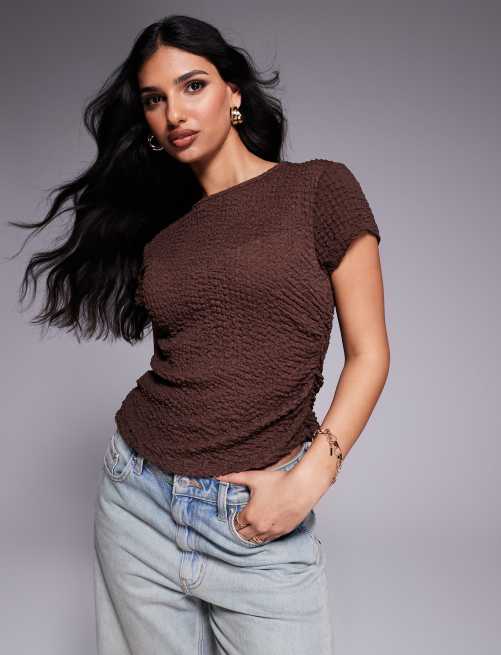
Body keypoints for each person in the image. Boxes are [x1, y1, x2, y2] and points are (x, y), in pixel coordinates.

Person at [12, 14, 389, 655]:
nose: (174, 113)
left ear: (233, 91)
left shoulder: (319, 189)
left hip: (253, 516)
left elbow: (370, 353)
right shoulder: (163, 237)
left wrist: (308, 482)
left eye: (193, 86)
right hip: (137, 500)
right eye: (154, 99)